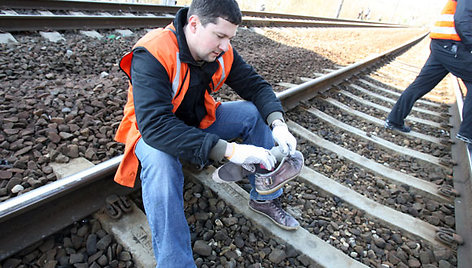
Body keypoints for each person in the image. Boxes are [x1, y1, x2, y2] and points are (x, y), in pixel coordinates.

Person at [113, 0, 300, 266]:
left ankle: (264, 197)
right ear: (194, 24)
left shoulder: (222, 52)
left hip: (199, 121)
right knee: (162, 163)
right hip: (153, 131)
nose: (225, 46)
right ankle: (175, 262)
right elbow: (155, 126)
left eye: (230, 37)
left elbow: (257, 88)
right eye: (220, 36)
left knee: (253, 113)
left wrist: (278, 124)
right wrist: (231, 150)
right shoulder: (153, 52)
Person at [385, 0, 472, 148]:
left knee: (420, 85)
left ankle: (394, 120)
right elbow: (462, 20)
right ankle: (467, 134)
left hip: (442, 44)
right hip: (451, 45)